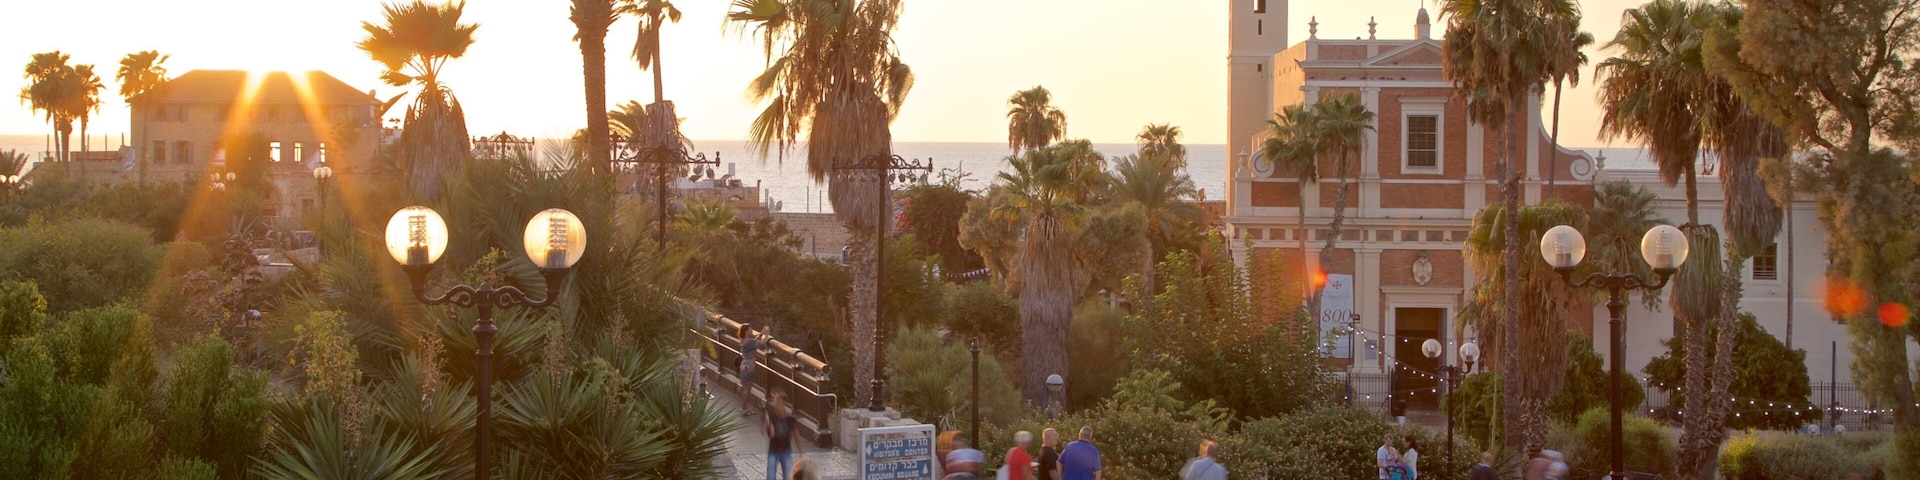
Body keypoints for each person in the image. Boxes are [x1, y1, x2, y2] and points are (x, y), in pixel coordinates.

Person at [765, 391, 798, 480]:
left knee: (788, 476)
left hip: (785, 450)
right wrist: (769, 424)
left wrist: (800, 451)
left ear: (784, 403)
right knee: (771, 476)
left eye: (779, 402)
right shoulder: (772, 416)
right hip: (773, 450)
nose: (777, 404)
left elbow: (796, 434)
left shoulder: (790, 418)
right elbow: (771, 434)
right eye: (776, 402)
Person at [739, 325, 765, 415]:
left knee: (744, 388)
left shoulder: (743, 341)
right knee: (747, 389)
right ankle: (744, 408)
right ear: (746, 331)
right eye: (750, 329)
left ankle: (743, 407)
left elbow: (754, 341)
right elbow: (762, 343)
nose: (752, 331)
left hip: (743, 365)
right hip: (749, 367)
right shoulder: (749, 341)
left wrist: (761, 333)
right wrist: (767, 333)